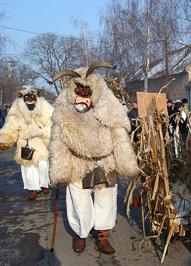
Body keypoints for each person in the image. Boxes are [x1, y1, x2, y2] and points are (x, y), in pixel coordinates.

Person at [49, 62, 139, 254]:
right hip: (77, 162)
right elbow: (57, 140)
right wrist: (59, 169)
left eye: (87, 88)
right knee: (78, 202)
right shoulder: (63, 107)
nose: (83, 92)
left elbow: (119, 133)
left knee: (105, 201)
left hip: (105, 163)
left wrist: (126, 162)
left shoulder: (108, 103)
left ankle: (103, 236)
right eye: (79, 88)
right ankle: (81, 233)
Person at [0, 87, 53, 200]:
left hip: (40, 141)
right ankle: (33, 189)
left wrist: (44, 133)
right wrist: (5, 139)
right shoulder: (17, 109)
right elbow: (10, 125)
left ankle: (45, 184)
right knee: (29, 168)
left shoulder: (44, 106)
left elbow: (52, 122)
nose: (29, 99)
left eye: (32, 96)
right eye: (26, 97)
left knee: (43, 165)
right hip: (25, 143)